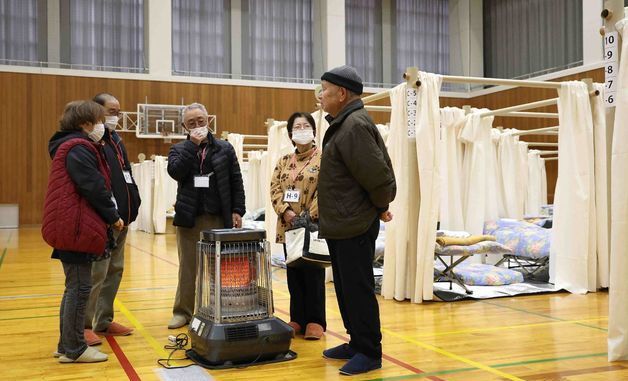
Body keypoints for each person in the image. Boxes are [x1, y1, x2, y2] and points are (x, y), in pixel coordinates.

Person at [317, 65, 396, 375]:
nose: (320, 95)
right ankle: (355, 341)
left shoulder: (353, 126)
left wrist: (379, 207)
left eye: (324, 90)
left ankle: (369, 350)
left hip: (355, 224)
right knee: (346, 288)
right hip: (342, 223)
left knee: (358, 289)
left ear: (342, 93)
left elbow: (378, 178)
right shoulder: (343, 124)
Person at [42, 100, 124, 363]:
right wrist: (113, 217)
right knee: (80, 288)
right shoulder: (79, 147)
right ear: (84, 123)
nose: (102, 125)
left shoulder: (68, 146)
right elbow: (93, 186)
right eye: (99, 120)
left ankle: (66, 344)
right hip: (75, 227)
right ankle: (75, 348)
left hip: (69, 225)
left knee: (74, 287)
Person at [167, 102, 246, 329]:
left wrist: (237, 210)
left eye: (200, 121)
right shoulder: (179, 149)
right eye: (191, 123)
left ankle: (215, 309)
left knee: (218, 269)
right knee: (188, 269)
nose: (197, 126)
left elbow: (236, 181)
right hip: (189, 218)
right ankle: (182, 312)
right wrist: (193, 146)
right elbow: (176, 172)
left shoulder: (225, 148)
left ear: (208, 120)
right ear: (184, 126)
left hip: (218, 217)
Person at [83, 93, 141, 346]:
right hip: (103, 219)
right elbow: (93, 184)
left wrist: (132, 206)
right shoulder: (90, 140)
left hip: (123, 218)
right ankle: (83, 326)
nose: (115, 117)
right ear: (96, 111)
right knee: (96, 274)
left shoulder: (115, 139)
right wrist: (110, 213)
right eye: (111, 111)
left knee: (115, 271)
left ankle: (103, 321)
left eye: (118, 112)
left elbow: (125, 174)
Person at [270, 112, 326, 340]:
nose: (302, 130)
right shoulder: (284, 161)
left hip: (313, 226)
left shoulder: (324, 158)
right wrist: (288, 213)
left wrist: (308, 215)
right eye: (297, 127)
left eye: (306, 126)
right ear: (291, 135)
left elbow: (326, 189)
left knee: (313, 273)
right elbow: (274, 188)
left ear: (313, 130)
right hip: (288, 226)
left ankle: (316, 320)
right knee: (294, 273)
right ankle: (298, 318)